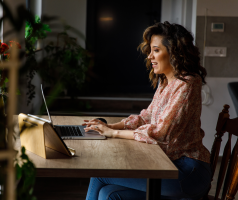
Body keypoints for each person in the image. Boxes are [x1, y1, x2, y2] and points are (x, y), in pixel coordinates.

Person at [83, 21, 211, 200]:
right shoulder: (166, 81)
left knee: (99, 174)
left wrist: (113, 133)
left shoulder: (188, 83)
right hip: (168, 164)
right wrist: (113, 126)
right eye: (150, 50)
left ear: (174, 52)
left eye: (156, 50)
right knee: (107, 194)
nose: (150, 56)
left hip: (188, 172)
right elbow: (147, 116)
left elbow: (160, 133)